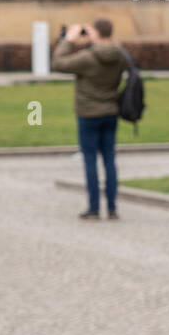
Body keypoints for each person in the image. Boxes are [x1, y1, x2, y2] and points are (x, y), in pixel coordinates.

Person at [53, 18, 126, 220]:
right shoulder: (119, 54)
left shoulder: (88, 58)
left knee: (90, 160)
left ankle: (94, 208)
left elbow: (58, 63)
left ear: (97, 33)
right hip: (110, 111)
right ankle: (112, 208)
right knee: (110, 159)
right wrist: (89, 43)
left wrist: (69, 39)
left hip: (88, 114)